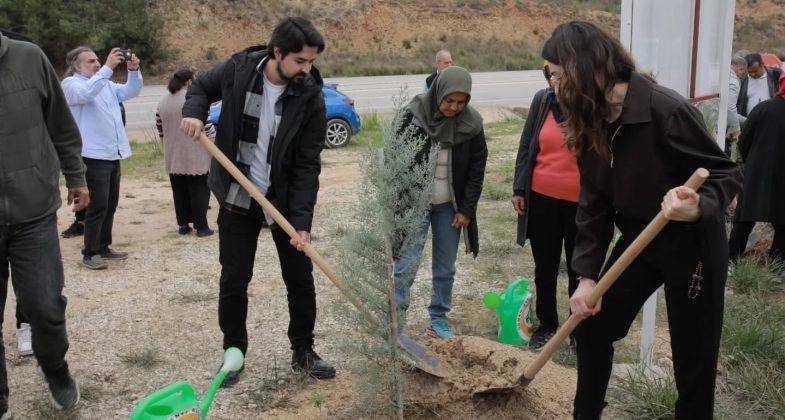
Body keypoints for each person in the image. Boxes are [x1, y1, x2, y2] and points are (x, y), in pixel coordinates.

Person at [541, 21, 742, 419]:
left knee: (694, 356)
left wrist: (697, 205)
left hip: (692, 243)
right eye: (550, 76)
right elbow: (594, 201)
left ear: (585, 68)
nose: (552, 86)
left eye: (559, 75)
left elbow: (725, 172)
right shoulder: (590, 119)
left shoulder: (663, 109)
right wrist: (586, 276)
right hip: (639, 239)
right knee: (592, 326)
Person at [180, 16, 335, 385]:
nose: (307, 68)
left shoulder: (309, 94)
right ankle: (233, 354)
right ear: (277, 52)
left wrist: (301, 224)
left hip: (281, 199)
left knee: (299, 277)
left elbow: (307, 165)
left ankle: (303, 349)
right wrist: (192, 113)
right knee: (234, 278)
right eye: (300, 60)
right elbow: (200, 87)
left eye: (311, 61)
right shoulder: (239, 69)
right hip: (237, 194)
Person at [0, 31, 87, 413]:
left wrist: (77, 175)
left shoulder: (28, 58)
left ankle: (55, 369)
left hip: (33, 212)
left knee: (45, 306)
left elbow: (61, 125)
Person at [394, 66, 488, 339]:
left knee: (445, 267)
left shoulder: (472, 125)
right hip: (415, 206)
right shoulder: (412, 117)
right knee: (406, 265)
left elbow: (476, 169)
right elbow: (394, 161)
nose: (454, 107)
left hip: (450, 207)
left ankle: (438, 318)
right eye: (449, 100)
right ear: (438, 93)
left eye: (461, 102)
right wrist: (399, 207)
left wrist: (467, 210)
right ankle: (395, 322)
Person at [512, 62, 579, 350]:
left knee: (580, 268)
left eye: (565, 76)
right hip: (541, 199)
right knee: (545, 267)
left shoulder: (590, 108)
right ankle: (548, 325)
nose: (558, 82)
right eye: (554, 76)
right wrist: (518, 187)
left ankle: (577, 328)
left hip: (582, 204)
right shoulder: (541, 102)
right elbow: (527, 144)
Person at [61, 46, 142, 270]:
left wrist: (133, 71)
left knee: (110, 204)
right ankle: (90, 252)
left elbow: (130, 92)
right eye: (91, 61)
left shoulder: (103, 83)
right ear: (77, 66)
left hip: (112, 153)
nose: (97, 64)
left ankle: (103, 246)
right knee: (97, 206)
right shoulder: (71, 85)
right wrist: (107, 68)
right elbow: (86, 94)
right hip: (92, 155)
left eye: (98, 60)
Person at [727, 73, 785, 264]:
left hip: (757, 172)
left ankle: (730, 260)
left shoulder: (763, 108)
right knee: (783, 225)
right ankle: (777, 265)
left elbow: (743, 141)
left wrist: (752, 160)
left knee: (744, 220)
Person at [156, 69, 216, 237]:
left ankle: (183, 225)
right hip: (195, 153)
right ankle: (202, 227)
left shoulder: (162, 102)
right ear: (189, 81)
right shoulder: (194, 101)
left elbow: (160, 129)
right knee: (199, 190)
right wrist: (214, 150)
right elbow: (209, 129)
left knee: (179, 191)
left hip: (173, 154)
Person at [61, 102, 127, 239]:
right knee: (80, 185)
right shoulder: (78, 91)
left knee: (101, 198)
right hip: (82, 150)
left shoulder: (111, 98)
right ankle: (80, 221)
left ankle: (95, 234)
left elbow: (120, 122)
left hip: (102, 152)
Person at [737, 53, 783, 119]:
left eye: (755, 71)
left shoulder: (776, 74)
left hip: (772, 119)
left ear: (762, 64)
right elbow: (738, 102)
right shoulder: (742, 79)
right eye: (749, 72)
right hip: (748, 120)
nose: (752, 74)